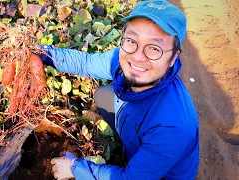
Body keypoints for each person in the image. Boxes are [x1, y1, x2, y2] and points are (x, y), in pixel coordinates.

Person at [40, 0, 199, 179]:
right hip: (136, 131)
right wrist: (43, 52)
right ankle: (129, 148)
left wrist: (74, 167)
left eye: (154, 48)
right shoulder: (120, 58)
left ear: (173, 58)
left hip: (158, 175)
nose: (138, 56)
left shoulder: (173, 127)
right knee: (104, 95)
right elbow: (85, 63)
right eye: (132, 40)